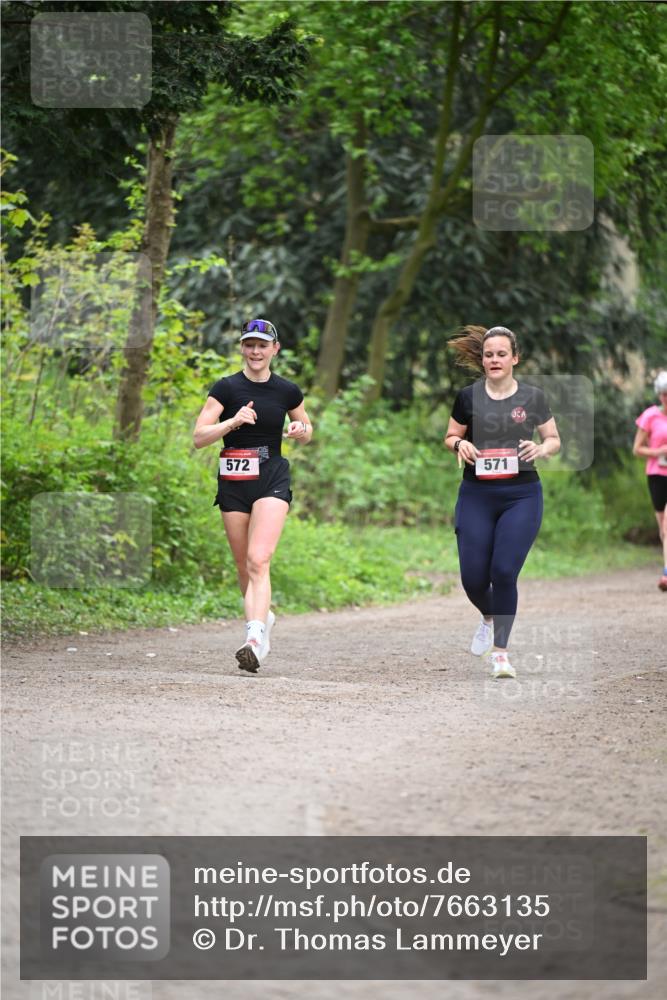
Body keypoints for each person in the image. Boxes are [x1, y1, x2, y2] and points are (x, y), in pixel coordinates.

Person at [193, 318, 312, 672]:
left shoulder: (287, 390)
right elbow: (200, 436)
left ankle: (254, 639)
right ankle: (264, 617)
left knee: (260, 559)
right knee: (244, 565)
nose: (256, 351)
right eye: (249, 344)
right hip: (233, 480)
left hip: (271, 476)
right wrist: (232, 422)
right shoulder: (226, 388)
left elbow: (306, 428)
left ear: (275, 349)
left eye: (263, 345)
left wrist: (299, 429)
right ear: (242, 348)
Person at [444, 325, 561, 680]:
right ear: (482, 359)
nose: (494, 359)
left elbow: (553, 438)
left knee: (504, 571)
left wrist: (542, 448)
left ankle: (501, 653)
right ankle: (489, 615)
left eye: (501, 354)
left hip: (521, 495)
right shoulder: (468, 398)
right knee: (473, 580)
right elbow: (450, 435)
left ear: (515, 358)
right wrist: (457, 445)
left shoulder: (532, 398)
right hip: (477, 494)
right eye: (488, 354)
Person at [633, 370, 667, 592]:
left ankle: (666, 573)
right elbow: (637, 449)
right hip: (656, 475)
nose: (666, 397)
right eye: (663, 393)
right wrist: (658, 451)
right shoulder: (650, 416)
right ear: (658, 394)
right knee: (663, 528)